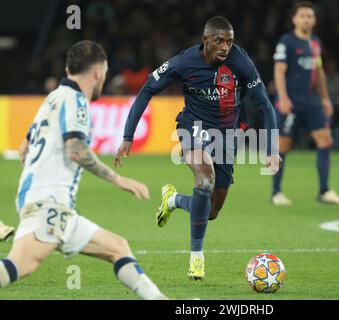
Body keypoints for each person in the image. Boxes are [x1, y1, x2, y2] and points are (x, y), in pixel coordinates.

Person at [115, 16, 281, 281]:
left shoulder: (241, 62)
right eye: (219, 41)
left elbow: (265, 105)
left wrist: (272, 148)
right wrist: (128, 135)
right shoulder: (184, 62)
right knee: (204, 181)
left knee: (211, 211)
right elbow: (147, 89)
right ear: (205, 40)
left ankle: (173, 200)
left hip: (227, 136)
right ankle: (196, 258)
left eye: (229, 41)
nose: (225, 47)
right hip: (194, 127)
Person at [0, 41, 167, 300]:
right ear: (99, 72)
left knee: (117, 247)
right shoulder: (76, 101)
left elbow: (23, 150)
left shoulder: (53, 98)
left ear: (68, 69)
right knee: (17, 268)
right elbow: (75, 150)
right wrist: (117, 179)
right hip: (50, 205)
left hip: (53, 205)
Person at [271, 1, 339, 205]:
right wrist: (283, 98)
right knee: (282, 146)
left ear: (314, 20)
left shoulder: (315, 43)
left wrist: (325, 99)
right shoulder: (286, 42)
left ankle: (324, 190)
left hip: (311, 101)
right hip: (291, 101)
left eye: (309, 16)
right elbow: (279, 71)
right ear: (294, 19)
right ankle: (276, 193)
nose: (306, 19)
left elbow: (319, 72)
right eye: (302, 15)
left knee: (325, 140)